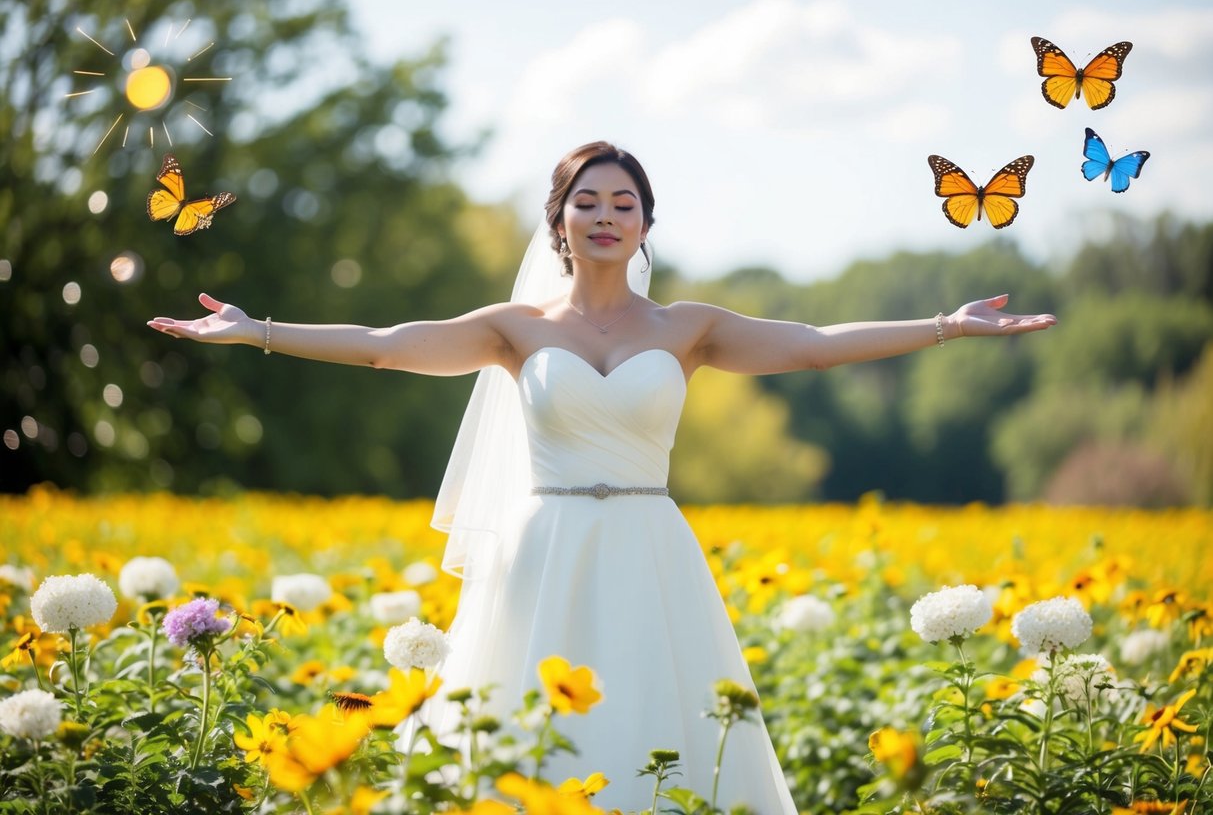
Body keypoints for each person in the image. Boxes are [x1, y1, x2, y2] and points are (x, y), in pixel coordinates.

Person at [148, 141, 1057, 811]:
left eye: (624, 202)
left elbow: (814, 348)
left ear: (646, 225)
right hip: (541, 550)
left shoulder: (687, 328)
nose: (606, 215)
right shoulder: (516, 328)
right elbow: (387, 349)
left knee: (656, 729)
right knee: (516, 738)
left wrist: (944, 325)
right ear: (560, 223)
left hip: (650, 546)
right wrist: (255, 329)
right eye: (588, 201)